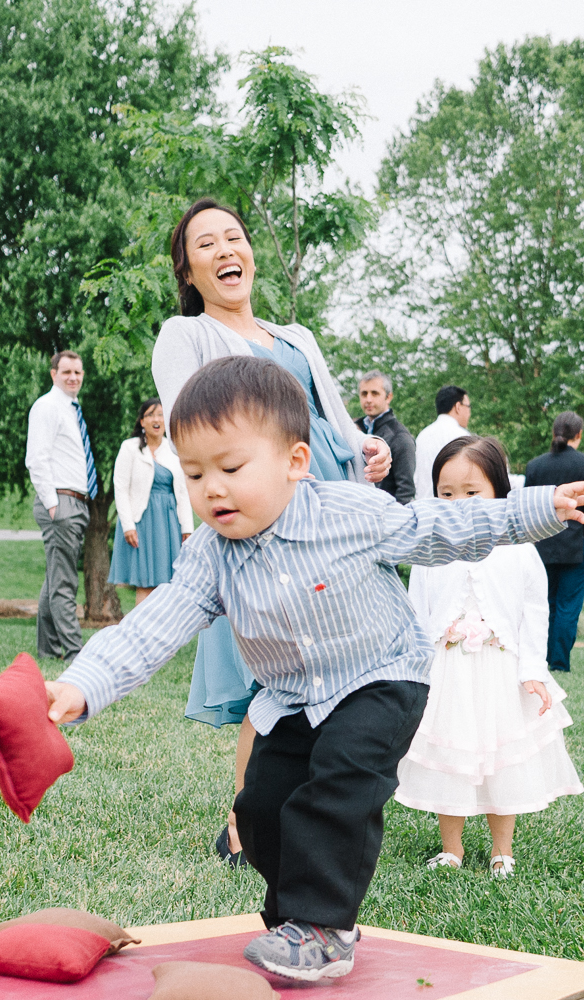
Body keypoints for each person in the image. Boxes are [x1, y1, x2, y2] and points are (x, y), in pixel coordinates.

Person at [44, 356, 584, 979]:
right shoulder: (209, 555)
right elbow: (153, 625)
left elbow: (442, 524)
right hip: (291, 697)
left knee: (338, 784)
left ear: (295, 461)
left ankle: (322, 927)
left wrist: (539, 508)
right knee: (259, 810)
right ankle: (296, 924)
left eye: (231, 468)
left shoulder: (349, 512)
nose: (212, 489)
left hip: (382, 678)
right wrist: (82, 684)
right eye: (195, 472)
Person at [150, 198, 393, 868]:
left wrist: (370, 452)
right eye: (207, 244)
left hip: (332, 512)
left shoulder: (298, 337)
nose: (227, 250)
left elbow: (336, 422)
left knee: (341, 672)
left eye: (235, 236)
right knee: (279, 679)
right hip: (267, 519)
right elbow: (186, 429)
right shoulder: (186, 335)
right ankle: (242, 824)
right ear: (189, 269)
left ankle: (316, 813)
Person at [396, 436, 584, 876]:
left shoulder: (519, 550)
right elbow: (416, 611)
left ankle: (503, 849)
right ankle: (452, 848)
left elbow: (534, 614)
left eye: (471, 492)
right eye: (446, 494)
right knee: (451, 762)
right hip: (447, 671)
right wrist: (414, 670)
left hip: (501, 671)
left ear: (499, 492)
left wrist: (533, 670)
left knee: (502, 763)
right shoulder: (429, 550)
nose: (458, 503)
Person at [26, 350, 98, 663]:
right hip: (62, 500)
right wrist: (53, 504)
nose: (73, 378)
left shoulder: (71, 409)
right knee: (65, 580)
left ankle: (47, 650)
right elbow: (36, 458)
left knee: (56, 576)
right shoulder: (47, 407)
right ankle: (74, 652)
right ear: (53, 373)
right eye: (66, 372)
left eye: (78, 373)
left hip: (75, 500)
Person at [523, 411, 584, 671]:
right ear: (578, 435)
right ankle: (558, 662)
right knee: (568, 606)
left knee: (544, 605)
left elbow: (529, 509)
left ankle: (541, 660)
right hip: (576, 548)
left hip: (541, 546)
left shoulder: (535, 466)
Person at [109, 399, 193, 607]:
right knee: (145, 584)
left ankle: (165, 636)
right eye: (151, 415)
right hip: (142, 522)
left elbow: (183, 492)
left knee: (168, 585)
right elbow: (120, 488)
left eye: (161, 415)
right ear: (142, 421)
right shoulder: (129, 448)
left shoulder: (175, 450)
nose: (156, 420)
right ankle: (140, 636)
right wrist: (128, 525)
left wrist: (187, 528)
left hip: (168, 523)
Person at [356, 371, 417, 504]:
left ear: (388, 397)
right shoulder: (355, 429)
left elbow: (406, 490)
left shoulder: (400, 437)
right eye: (364, 393)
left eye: (375, 393)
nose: (368, 399)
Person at [414, 387, 471, 500]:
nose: (469, 413)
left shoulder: (423, 435)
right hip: (447, 508)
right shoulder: (460, 436)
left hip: (422, 507)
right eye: (469, 407)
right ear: (458, 407)